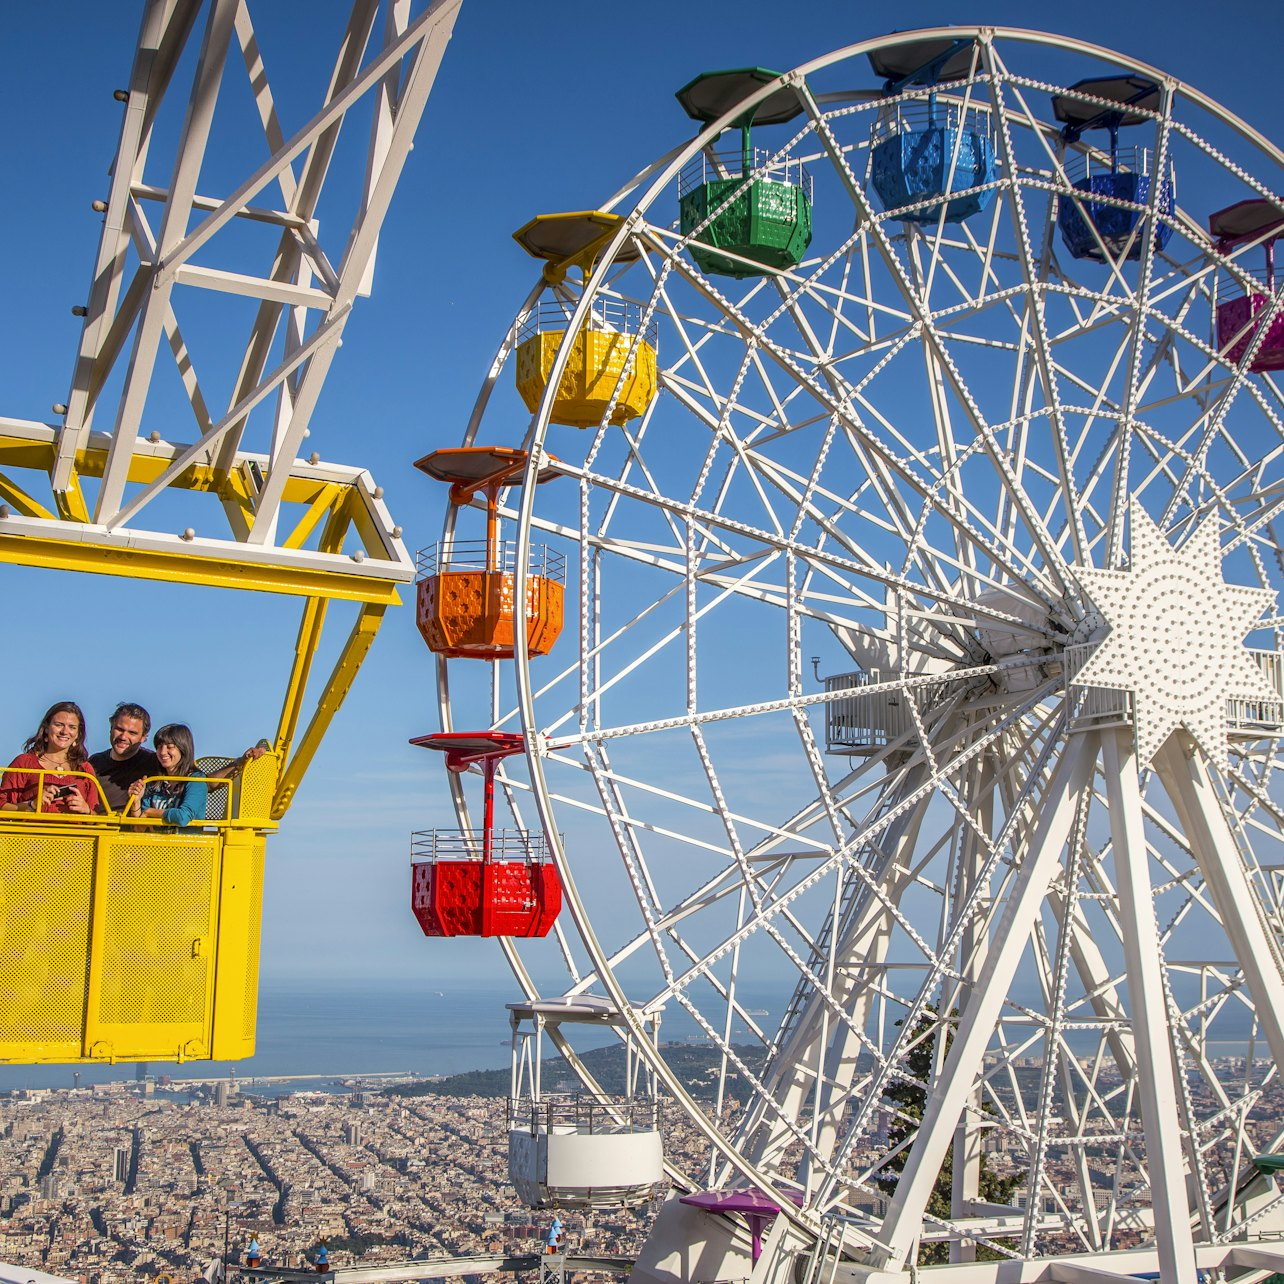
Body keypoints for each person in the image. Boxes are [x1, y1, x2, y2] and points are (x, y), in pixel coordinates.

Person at [0, 701, 101, 814]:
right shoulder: (24, 763)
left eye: (72, 727)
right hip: (31, 831)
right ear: (47, 728)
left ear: (78, 734)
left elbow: (97, 816)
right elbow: (2, 805)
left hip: (74, 831)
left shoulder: (85, 769)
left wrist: (86, 810)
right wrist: (32, 804)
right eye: (59, 725)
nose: (64, 731)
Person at [128, 724, 208, 826]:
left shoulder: (196, 780)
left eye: (170, 747)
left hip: (185, 841)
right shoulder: (154, 781)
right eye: (159, 747)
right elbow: (139, 829)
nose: (162, 752)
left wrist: (151, 812)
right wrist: (136, 802)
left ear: (183, 749)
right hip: (154, 841)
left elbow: (183, 817)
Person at [89, 702, 159, 813]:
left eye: (132, 733)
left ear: (144, 737)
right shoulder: (94, 763)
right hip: (98, 828)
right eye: (119, 729)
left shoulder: (155, 762)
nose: (123, 737)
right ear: (111, 728)